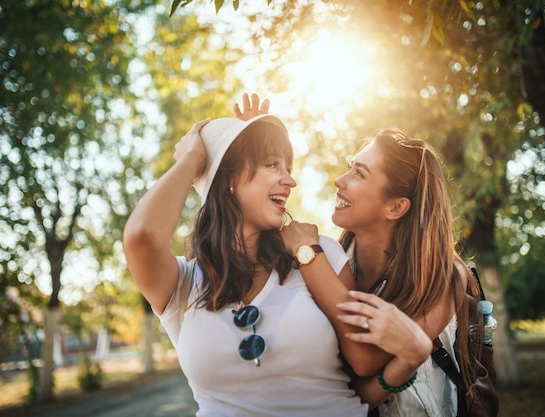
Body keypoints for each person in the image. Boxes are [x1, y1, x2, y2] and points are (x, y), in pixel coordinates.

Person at [123, 103, 431, 416]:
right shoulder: (182, 284)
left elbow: (363, 361)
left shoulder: (315, 251)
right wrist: (194, 159)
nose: (290, 181)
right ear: (229, 178)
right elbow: (141, 237)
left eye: (288, 167)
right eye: (272, 165)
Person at [279, 126, 481, 417]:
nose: (339, 180)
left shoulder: (445, 278)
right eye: (349, 168)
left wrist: (307, 254)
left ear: (396, 207)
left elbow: (365, 360)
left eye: (359, 173)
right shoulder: (334, 261)